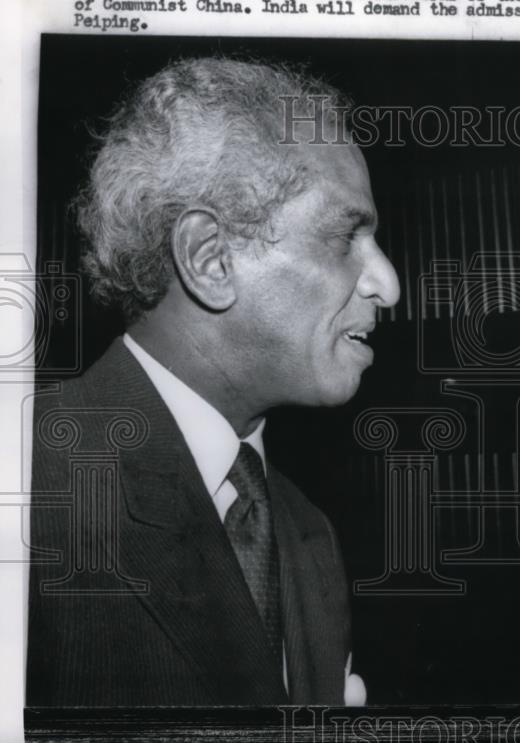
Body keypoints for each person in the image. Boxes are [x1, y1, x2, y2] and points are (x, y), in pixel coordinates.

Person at [28, 57, 399, 706]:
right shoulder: (28, 484)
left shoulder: (309, 532)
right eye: (347, 238)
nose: (387, 284)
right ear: (210, 259)